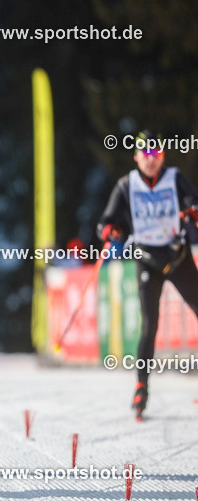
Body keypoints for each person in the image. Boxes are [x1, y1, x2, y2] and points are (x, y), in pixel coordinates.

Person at [96, 130, 198, 419]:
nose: (150, 160)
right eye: (145, 154)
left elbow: (193, 202)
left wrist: (192, 212)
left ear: (162, 155)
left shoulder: (175, 178)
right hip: (147, 261)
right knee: (149, 324)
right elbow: (105, 222)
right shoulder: (126, 185)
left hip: (177, 258)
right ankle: (141, 387)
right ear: (136, 156)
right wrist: (109, 231)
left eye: (155, 153)